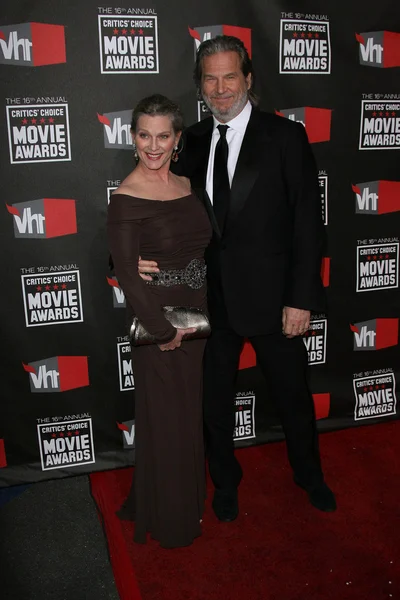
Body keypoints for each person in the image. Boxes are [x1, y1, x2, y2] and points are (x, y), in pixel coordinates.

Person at [139, 36, 336, 522]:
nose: (221, 88)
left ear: (248, 79)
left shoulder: (285, 137)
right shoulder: (194, 141)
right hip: (209, 302)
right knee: (213, 407)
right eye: (211, 78)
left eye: (230, 77)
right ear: (199, 86)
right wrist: (130, 258)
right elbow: (164, 210)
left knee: (292, 398)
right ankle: (224, 482)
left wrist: (300, 298)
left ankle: (309, 475)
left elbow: (308, 222)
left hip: (275, 302)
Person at [107, 94, 212, 548]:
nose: (153, 146)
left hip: (199, 317)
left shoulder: (189, 186)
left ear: (177, 139)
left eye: (162, 136)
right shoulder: (127, 196)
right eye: (144, 135)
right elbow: (128, 274)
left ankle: (174, 499)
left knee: (184, 416)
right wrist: (164, 332)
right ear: (133, 139)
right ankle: (171, 519)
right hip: (161, 324)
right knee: (167, 419)